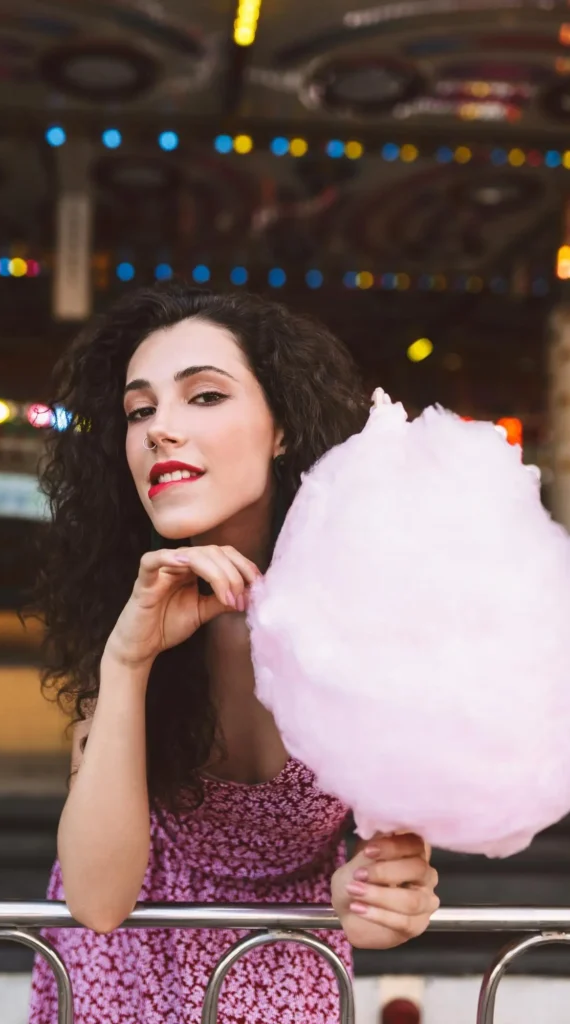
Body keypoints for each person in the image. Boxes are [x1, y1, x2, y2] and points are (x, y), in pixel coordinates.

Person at [28, 283, 440, 1024]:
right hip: (120, 973)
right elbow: (95, 900)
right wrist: (126, 663)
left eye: (205, 397)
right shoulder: (130, 609)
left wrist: (381, 890)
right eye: (140, 410)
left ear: (282, 429)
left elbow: (390, 861)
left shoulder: (375, 617)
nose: (161, 430)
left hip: (283, 971)